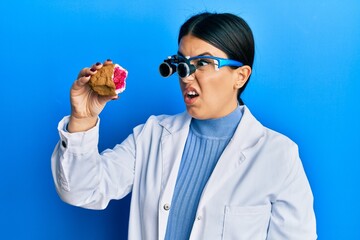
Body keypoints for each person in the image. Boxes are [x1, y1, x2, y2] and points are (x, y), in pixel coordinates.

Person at [51, 12, 317, 239]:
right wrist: (83, 118)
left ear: (240, 76)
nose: (187, 76)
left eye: (203, 63)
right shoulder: (152, 136)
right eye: (182, 64)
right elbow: (80, 191)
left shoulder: (278, 155)